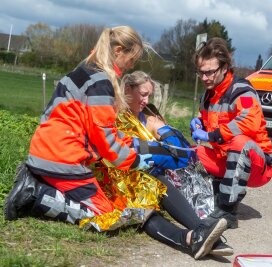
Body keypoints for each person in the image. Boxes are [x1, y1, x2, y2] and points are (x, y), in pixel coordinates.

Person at [3, 26, 228, 260]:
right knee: (111, 213)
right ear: (119, 51)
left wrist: (148, 149)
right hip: (62, 159)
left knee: (125, 198)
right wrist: (144, 159)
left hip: (50, 151)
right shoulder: (101, 83)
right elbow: (111, 150)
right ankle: (35, 195)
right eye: (132, 59)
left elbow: (105, 135)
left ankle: (198, 234)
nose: (131, 66)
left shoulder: (86, 69)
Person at [120, 70, 233, 256]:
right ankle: (199, 234)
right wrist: (157, 149)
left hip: (150, 174)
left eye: (149, 95)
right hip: (124, 177)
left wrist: (161, 129)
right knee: (155, 188)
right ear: (128, 89)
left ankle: (203, 233)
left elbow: (180, 154)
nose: (147, 100)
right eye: (143, 94)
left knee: (164, 178)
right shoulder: (116, 114)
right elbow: (124, 150)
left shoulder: (148, 116)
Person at [190, 37, 272, 229]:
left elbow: (249, 123)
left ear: (224, 67)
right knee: (189, 152)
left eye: (210, 72)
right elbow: (207, 123)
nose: (205, 78)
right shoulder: (209, 94)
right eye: (201, 73)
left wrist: (211, 136)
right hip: (225, 160)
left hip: (256, 166)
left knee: (239, 143)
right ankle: (205, 193)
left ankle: (227, 211)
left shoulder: (241, 90)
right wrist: (198, 125)